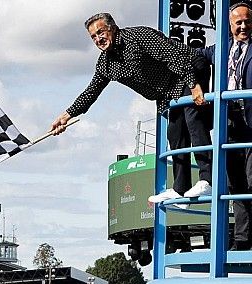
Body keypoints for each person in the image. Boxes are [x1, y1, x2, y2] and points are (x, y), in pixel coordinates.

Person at [51, 13, 213, 202]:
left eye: (100, 32)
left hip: (189, 68)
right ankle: (180, 188)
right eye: (93, 37)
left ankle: (207, 181)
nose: (98, 39)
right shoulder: (105, 63)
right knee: (175, 133)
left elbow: (173, 56)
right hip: (168, 88)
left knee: (193, 121)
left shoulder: (137, 37)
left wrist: (194, 85)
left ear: (112, 28)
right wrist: (66, 116)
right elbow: (91, 92)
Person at [201, 3, 252, 250]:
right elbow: (195, 56)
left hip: (251, 119)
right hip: (228, 121)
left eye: (247, 21)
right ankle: (242, 239)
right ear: (229, 26)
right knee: (236, 182)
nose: (243, 26)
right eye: (238, 22)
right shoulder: (221, 49)